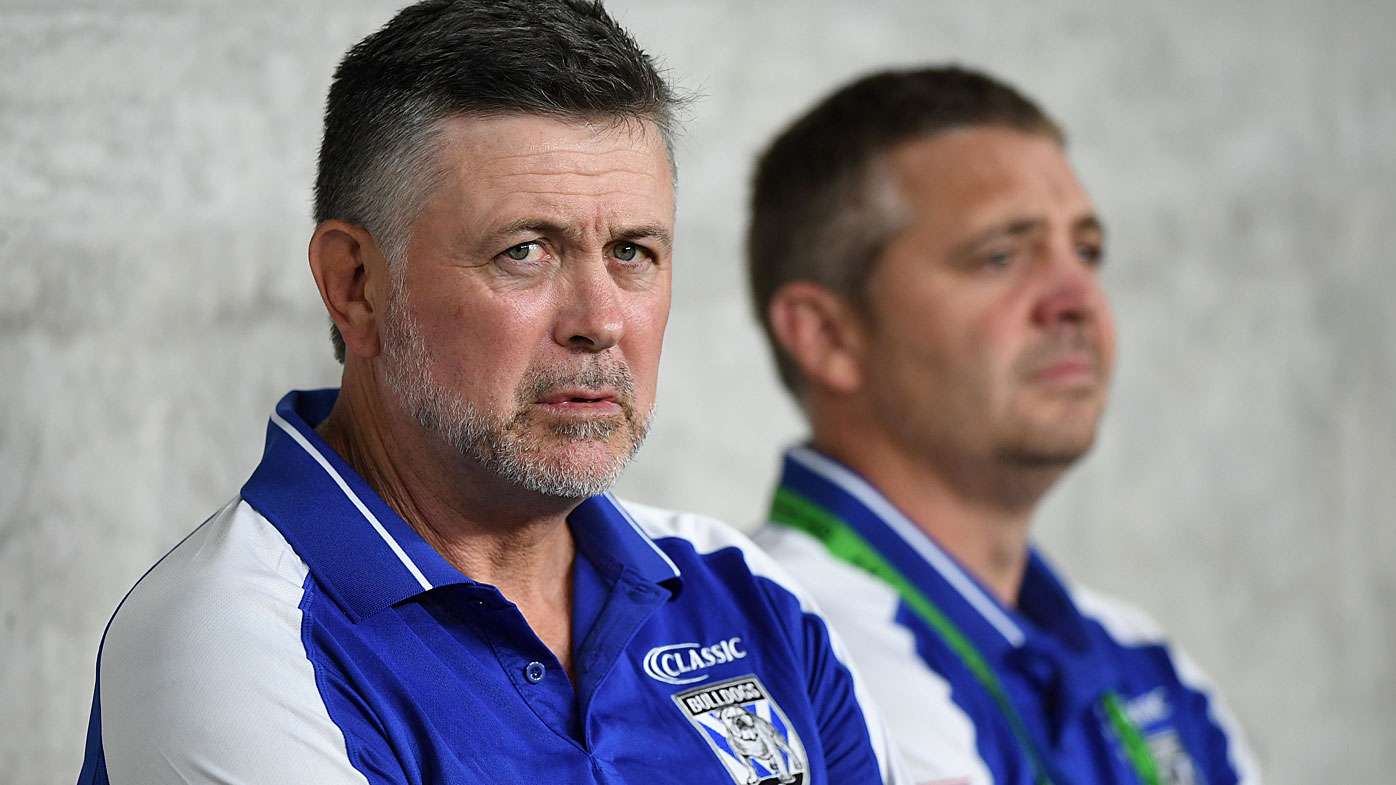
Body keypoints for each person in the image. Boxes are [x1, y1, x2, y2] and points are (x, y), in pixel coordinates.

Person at [75, 3, 905, 783]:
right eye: (526, 250)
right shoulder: (226, 639)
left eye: (632, 251)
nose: (600, 321)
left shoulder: (742, 591)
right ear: (355, 284)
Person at [748, 66, 1261, 785]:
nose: (1077, 297)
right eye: (1001, 256)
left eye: (1086, 251)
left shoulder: (1148, 661)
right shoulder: (776, 651)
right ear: (828, 335)